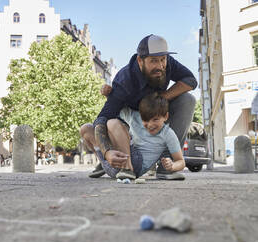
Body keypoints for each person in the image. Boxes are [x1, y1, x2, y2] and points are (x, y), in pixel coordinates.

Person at [80, 34, 196, 180]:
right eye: (154, 61)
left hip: (155, 114)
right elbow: (102, 119)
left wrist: (162, 98)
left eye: (162, 60)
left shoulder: (168, 62)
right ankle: (109, 160)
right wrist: (106, 151)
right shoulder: (124, 80)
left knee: (187, 99)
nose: (160, 66)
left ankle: (167, 167)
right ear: (140, 60)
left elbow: (191, 80)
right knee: (97, 127)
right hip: (128, 123)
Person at [96, 93, 185, 179]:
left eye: (155, 120)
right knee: (86, 129)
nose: (150, 124)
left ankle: (127, 168)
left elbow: (181, 161)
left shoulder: (167, 133)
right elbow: (115, 106)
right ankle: (105, 164)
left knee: (112, 123)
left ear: (166, 116)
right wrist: (108, 95)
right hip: (114, 168)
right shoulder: (134, 116)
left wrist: (172, 166)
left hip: (136, 164)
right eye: (145, 120)